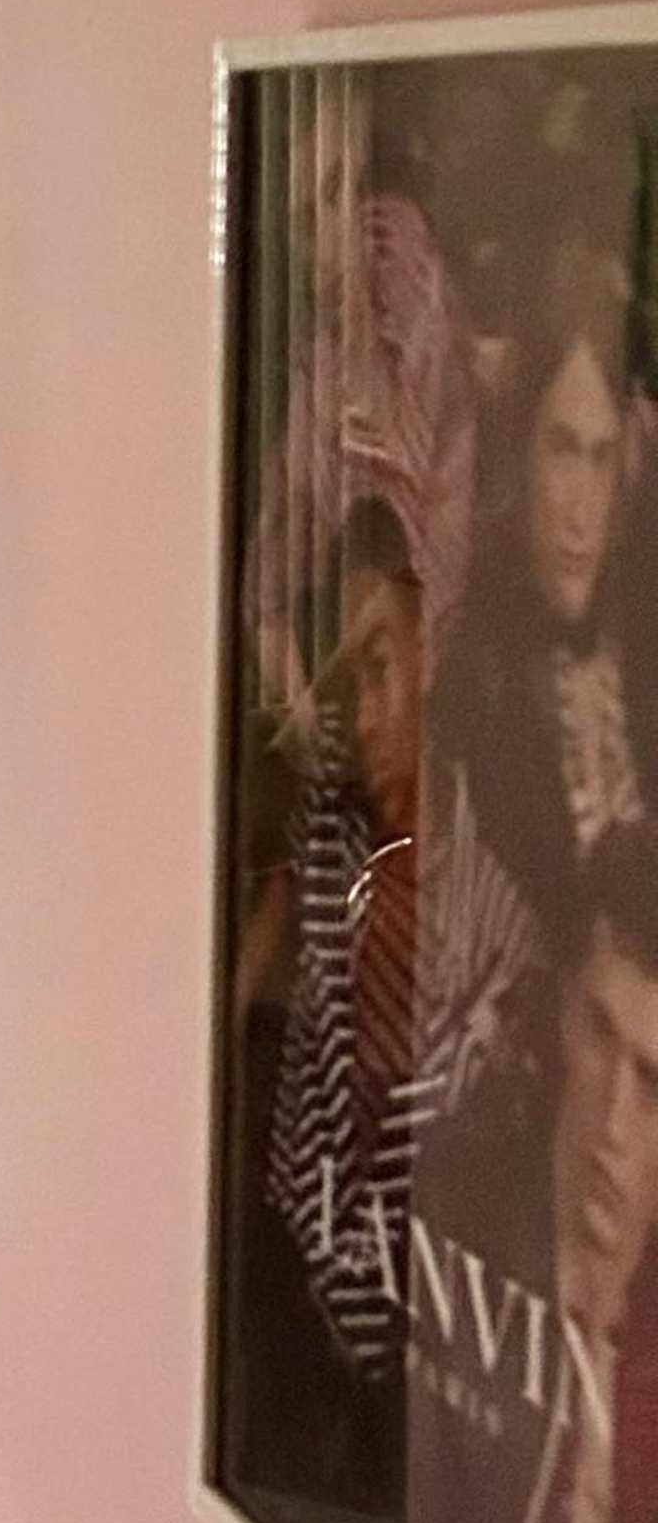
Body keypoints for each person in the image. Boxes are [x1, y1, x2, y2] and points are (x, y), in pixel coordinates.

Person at [407, 827, 658, 1523]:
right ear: (561, 1016)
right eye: (602, 1036)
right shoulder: (447, 1239)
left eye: (656, 1082)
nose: (611, 1120)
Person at [263, 497, 542, 1394]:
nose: (368, 718)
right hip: (314, 1356)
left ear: (447, 656)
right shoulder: (342, 873)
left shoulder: (514, 947)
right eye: (352, 684)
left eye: (381, 668)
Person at [432, 249, 652, 952]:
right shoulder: (475, 671)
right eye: (562, 452)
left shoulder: (643, 636)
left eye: (601, 457)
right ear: (522, 460)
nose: (582, 511)